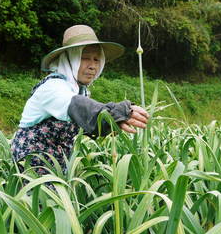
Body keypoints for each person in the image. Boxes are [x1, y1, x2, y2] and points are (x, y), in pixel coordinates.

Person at [11, 25, 149, 176]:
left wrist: (111, 124)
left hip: (57, 164)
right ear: (70, 58)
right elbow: (76, 106)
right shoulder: (53, 87)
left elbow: (87, 120)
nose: (92, 66)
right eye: (84, 58)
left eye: (97, 59)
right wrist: (115, 112)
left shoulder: (80, 90)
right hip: (33, 165)